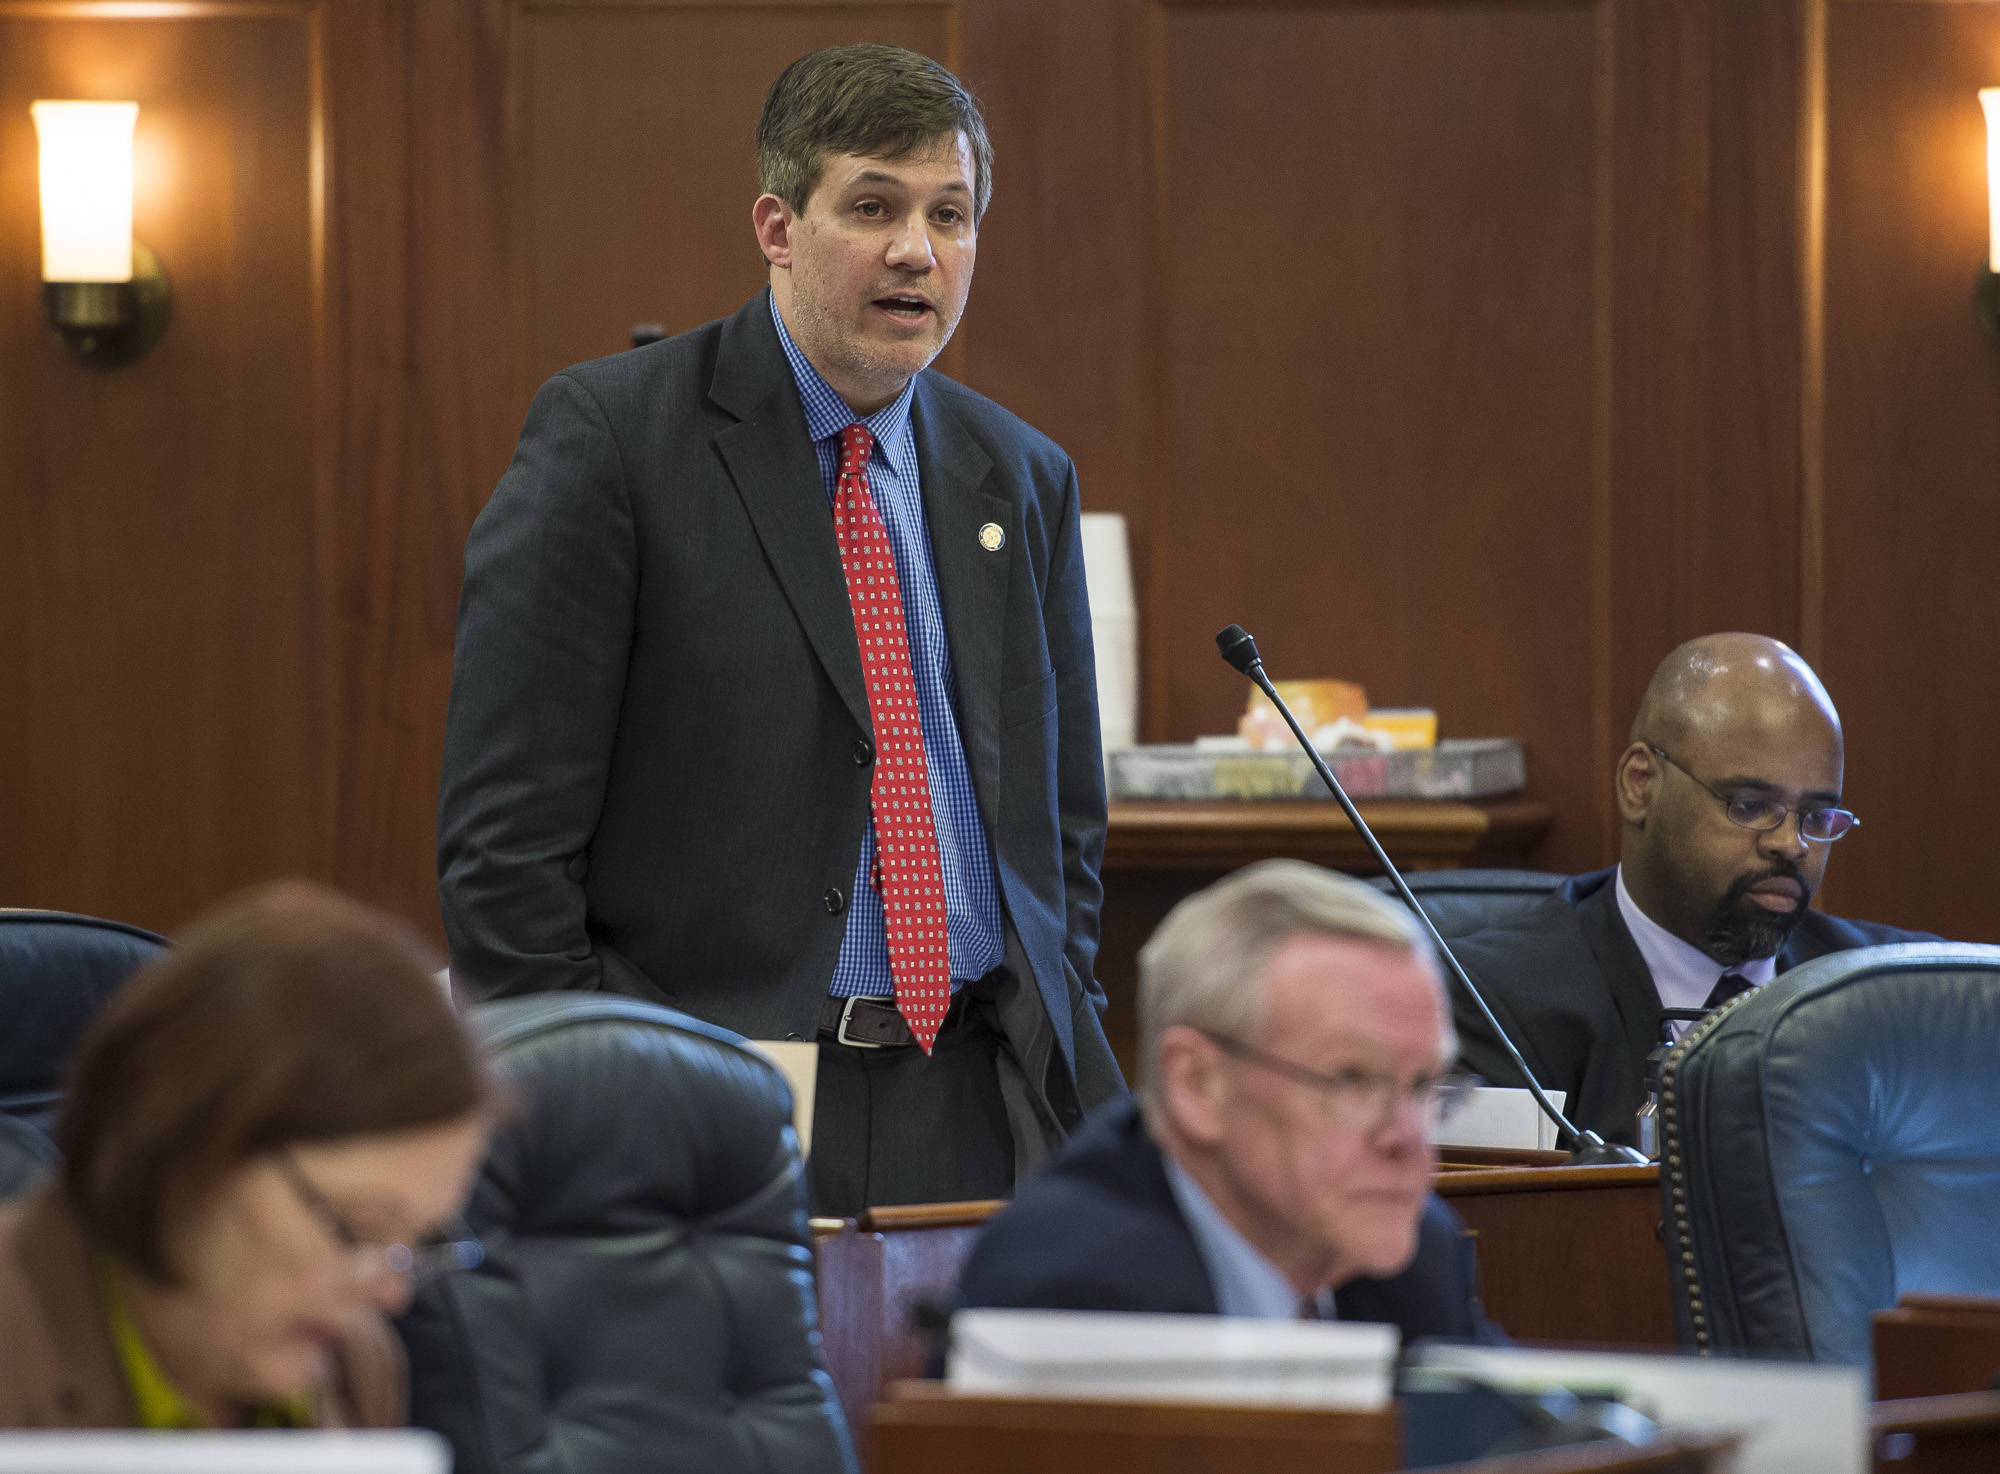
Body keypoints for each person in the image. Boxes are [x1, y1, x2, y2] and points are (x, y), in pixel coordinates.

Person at [437, 43, 1121, 1216]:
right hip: (710, 1092)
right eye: (873, 206)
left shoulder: (1020, 475)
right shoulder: (614, 441)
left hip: (976, 1092)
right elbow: (504, 856)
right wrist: (603, 1093)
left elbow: (1060, 834)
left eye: (948, 215)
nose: (918, 249)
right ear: (776, 226)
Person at [0, 882, 494, 1428]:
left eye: (418, 1242)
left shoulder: (356, 1362)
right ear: (186, 1154)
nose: (393, 1295)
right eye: (358, 1228)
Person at [956, 860, 1502, 1340]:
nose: (1406, 1138)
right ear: (1197, 1084)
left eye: (1426, 1085)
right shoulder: (1073, 1291)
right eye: (1352, 1080)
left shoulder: (1411, 1252)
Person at [1450, 632, 1934, 1144]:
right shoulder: (1493, 1005)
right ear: (1640, 785)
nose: (1792, 844)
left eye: (1816, 816)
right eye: (1749, 805)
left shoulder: (1905, 995)